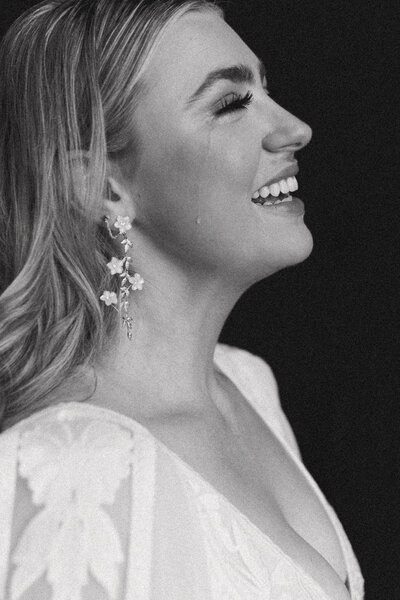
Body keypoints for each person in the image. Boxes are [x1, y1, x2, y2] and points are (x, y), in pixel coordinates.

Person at [0, 0, 364, 598]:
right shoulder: (70, 468)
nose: (295, 127)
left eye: (265, 90)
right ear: (102, 188)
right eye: (230, 104)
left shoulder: (249, 388)